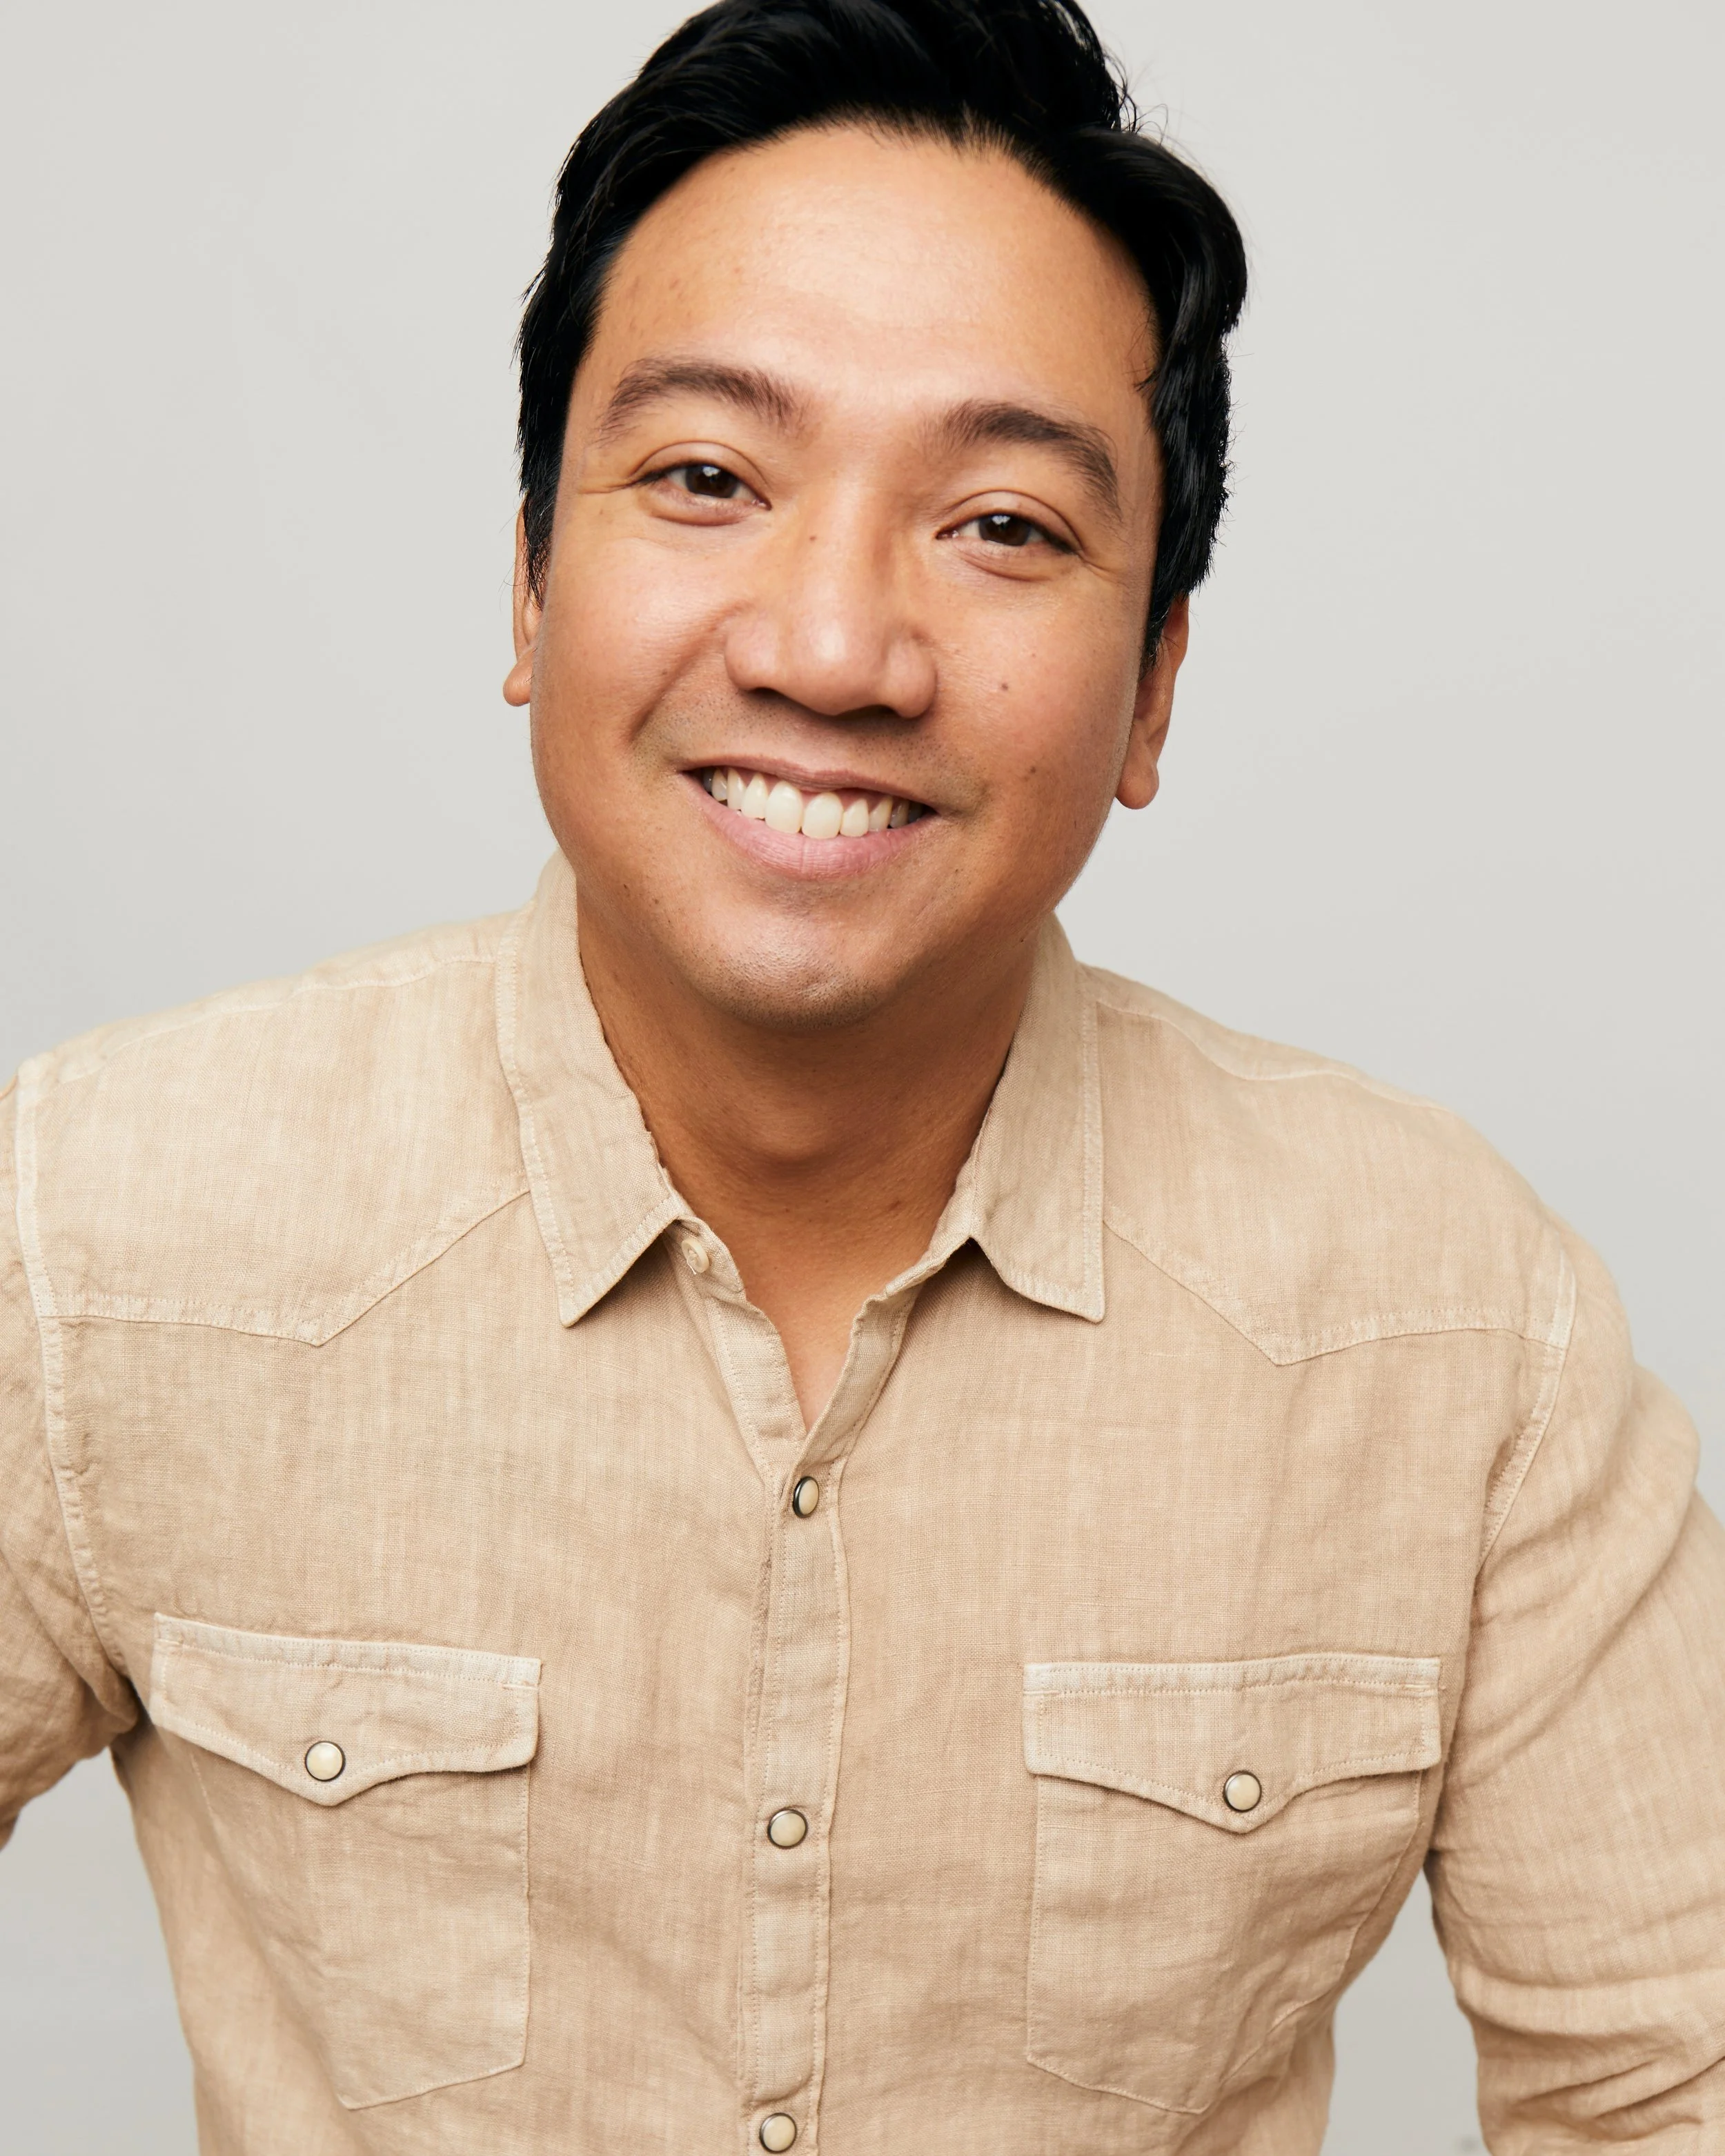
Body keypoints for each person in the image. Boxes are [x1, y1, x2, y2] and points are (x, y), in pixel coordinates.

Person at [2, 0, 1720, 2147]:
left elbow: (1669, 2078)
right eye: (707, 477)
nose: (830, 648)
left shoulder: (1453, 1319)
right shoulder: (96, 1233)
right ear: (531, 574)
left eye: (1001, 525)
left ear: (1152, 687)